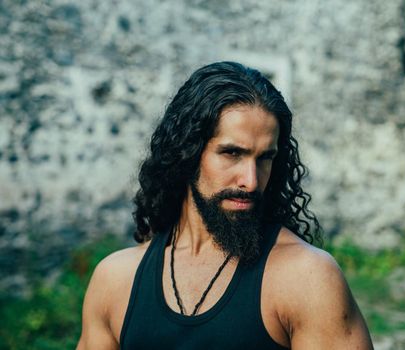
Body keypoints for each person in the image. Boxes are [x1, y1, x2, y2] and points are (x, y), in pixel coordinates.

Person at [77, 61, 373, 349]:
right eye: (232, 153)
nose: (251, 181)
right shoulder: (117, 280)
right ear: (187, 153)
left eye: (264, 158)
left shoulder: (306, 277)